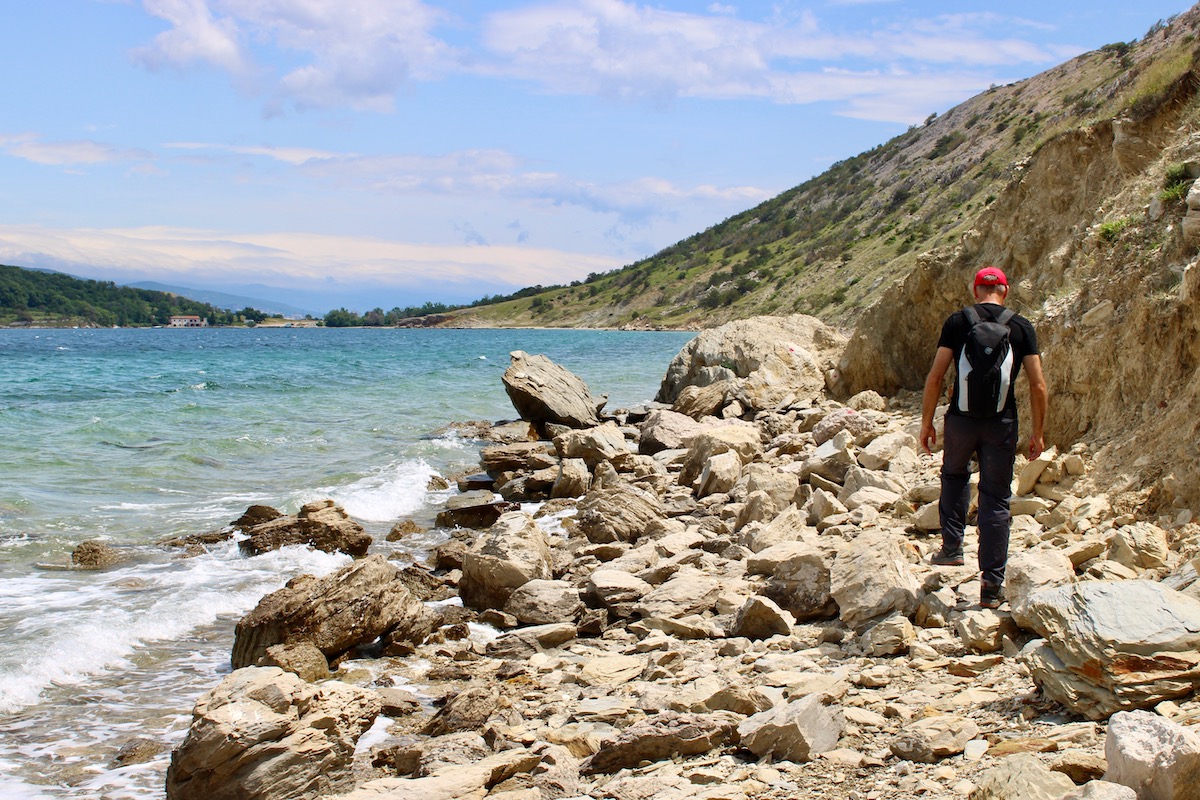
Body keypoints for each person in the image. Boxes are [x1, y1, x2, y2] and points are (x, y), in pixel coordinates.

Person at [919, 266, 1047, 609]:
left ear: (976, 290)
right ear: (1005, 290)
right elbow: (1037, 385)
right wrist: (1037, 432)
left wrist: (927, 423)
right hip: (1001, 423)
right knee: (996, 498)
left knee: (954, 475)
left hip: (961, 420)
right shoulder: (1020, 326)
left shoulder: (958, 322)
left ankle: (951, 549)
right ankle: (991, 586)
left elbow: (935, 377)